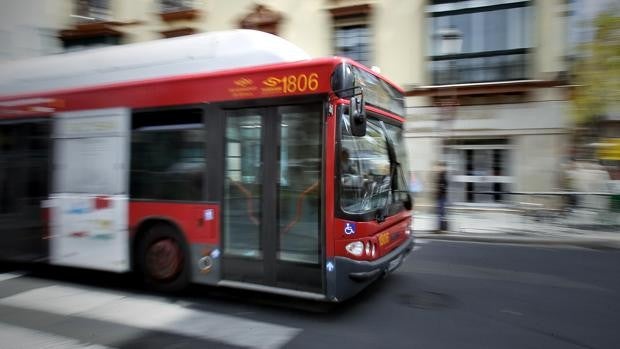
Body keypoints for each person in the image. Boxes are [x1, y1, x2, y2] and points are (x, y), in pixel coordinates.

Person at [435, 162, 448, 232]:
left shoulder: (442, 176)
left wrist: (439, 191)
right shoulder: (440, 175)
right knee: (441, 213)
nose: (437, 169)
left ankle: (441, 228)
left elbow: (443, 187)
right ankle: (442, 227)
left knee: (441, 212)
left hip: (441, 197)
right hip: (441, 196)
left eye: (439, 167)